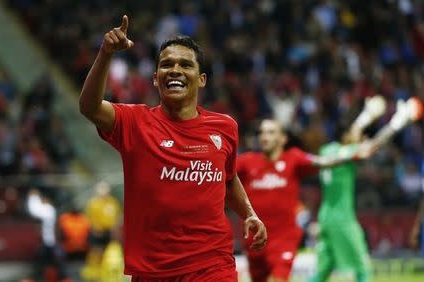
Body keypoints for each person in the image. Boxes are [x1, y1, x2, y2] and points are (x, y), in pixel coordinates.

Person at [78, 15, 267, 281]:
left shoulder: (225, 127)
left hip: (212, 264)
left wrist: (249, 213)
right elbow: (89, 107)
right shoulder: (135, 122)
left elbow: (228, 177)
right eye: (167, 65)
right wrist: (106, 54)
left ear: (201, 79)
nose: (175, 69)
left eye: (185, 65)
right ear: (156, 79)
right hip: (153, 271)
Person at [236, 118, 373, 282]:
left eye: (271, 132)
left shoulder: (294, 159)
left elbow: (323, 162)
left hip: (283, 239)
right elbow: (223, 175)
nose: (264, 137)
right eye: (262, 132)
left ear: (283, 139)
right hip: (254, 240)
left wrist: (353, 154)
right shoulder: (246, 162)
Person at [311, 97, 423, 282]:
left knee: (323, 272)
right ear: (346, 137)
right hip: (343, 219)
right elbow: (373, 145)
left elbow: (349, 134)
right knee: (363, 270)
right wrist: (399, 121)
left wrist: (366, 116)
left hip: (325, 218)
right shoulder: (347, 153)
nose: (360, 136)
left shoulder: (326, 150)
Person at [22, 189, 70, 282]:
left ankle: (64, 279)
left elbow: (34, 210)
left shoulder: (48, 209)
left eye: (42, 199)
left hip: (51, 242)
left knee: (55, 261)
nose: (42, 201)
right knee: (41, 261)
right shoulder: (48, 209)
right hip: (47, 242)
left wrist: (33, 197)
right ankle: (34, 278)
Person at [82, 181, 121, 281]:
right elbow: (89, 218)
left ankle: (106, 274)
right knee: (96, 254)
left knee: (109, 253)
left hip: (109, 232)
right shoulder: (94, 203)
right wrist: (94, 228)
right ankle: (95, 275)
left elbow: (117, 217)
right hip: (97, 233)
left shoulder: (113, 202)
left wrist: (115, 229)